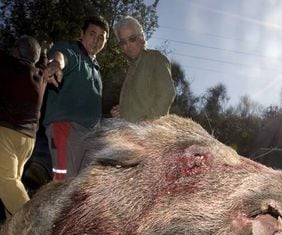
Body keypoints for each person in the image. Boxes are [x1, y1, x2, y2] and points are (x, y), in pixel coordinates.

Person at [0, 35, 61, 218]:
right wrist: (44, 51)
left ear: (17, 51)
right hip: (28, 141)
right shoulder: (40, 74)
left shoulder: (8, 66)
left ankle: (34, 227)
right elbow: (41, 61)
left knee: (7, 182)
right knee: (14, 186)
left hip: (7, 133)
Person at [43, 15, 109, 180]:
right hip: (66, 129)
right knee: (63, 187)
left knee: (82, 190)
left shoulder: (96, 68)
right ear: (82, 34)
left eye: (101, 37)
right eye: (92, 34)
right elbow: (60, 56)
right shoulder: (72, 51)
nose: (96, 40)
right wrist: (56, 64)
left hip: (90, 137)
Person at [112, 16, 175, 122]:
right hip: (127, 131)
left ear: (141, 37)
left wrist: (150, 120)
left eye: (132, 39)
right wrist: (122, 111)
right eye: (123, 42)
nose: (128, 45)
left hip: (148, 134)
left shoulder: (155, 58)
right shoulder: (132, 67)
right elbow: (139, 103)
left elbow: (168, 92)